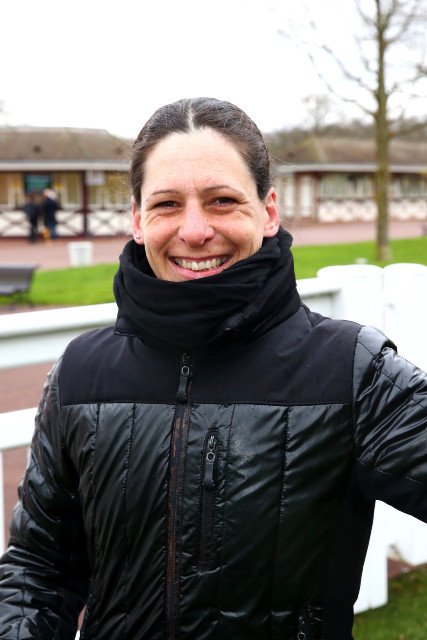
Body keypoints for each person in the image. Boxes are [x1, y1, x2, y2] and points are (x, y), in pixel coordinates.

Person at [0, 97, 426, 640]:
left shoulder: (350, 369)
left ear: (268, 211)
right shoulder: (81, 372)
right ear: (138, 219)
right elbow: (37, 569)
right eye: (167, 204)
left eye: (222, 200)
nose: (195, 230)